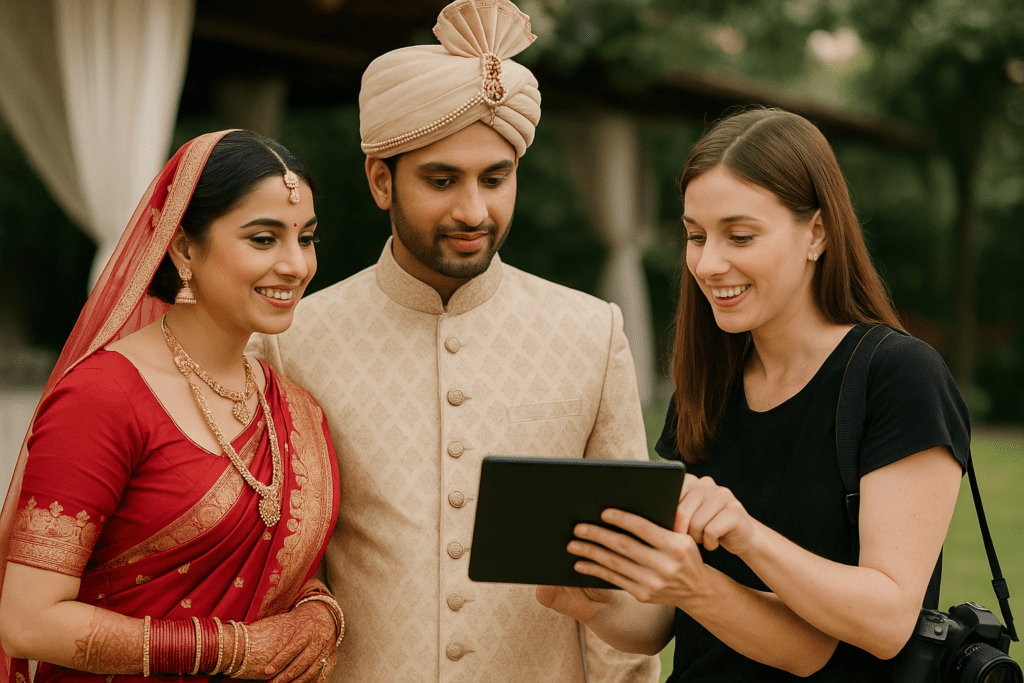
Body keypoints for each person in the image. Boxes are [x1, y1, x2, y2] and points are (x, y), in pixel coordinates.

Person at [245, 1, 659, 681]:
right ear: (382, 179)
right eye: (442, 180)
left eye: (495, 179)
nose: (474, 210)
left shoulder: (591, 331)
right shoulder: (294, 340)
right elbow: (271, 568)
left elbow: (619, 574)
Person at [536, 107, 970, 681]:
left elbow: (887, 619)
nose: (709, 263)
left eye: (739, 235)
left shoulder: (897, 376)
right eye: (695, 236)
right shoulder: (709, 384)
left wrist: (743, 537)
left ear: (817, 232)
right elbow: (670, 618)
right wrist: (595, 602)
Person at [0, 130, 345, 683]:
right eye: (263, 239)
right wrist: (229, 650)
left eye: (305, 238)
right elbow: (28, 621)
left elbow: (285, 567)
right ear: (185, 247)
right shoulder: (102, 397)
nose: (295, 265)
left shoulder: (296, 408)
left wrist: (318, 613)